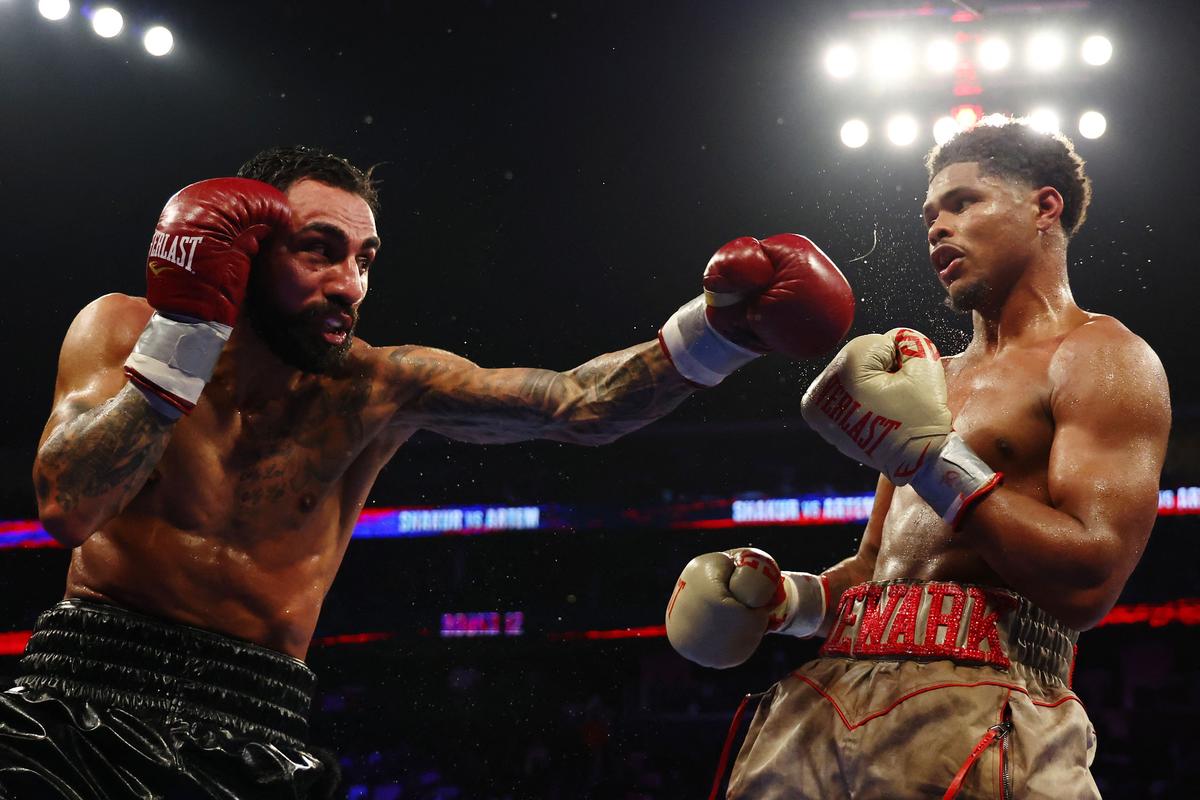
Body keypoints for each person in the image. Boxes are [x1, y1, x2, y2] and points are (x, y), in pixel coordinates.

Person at [1, 146, 853, 798]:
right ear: (245, 250)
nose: (349, 284)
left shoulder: (375, 387)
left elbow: (578, 403)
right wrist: (183, 340)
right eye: (320, 251)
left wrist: (724, 329)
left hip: (257, 719)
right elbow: (68, 505)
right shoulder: (124, 327)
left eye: (365, 260)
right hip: (79, 699)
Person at [665, 119, 1170, 799]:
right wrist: (788, 599)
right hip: (828, 698)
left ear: (1044, 207)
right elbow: (875, 573)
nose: (937, 227)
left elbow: (1091, 577)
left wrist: (932, 457)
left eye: (964, 203)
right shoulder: (925, 379)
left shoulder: (1102, 357)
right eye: (930, 214)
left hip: (989, 701)